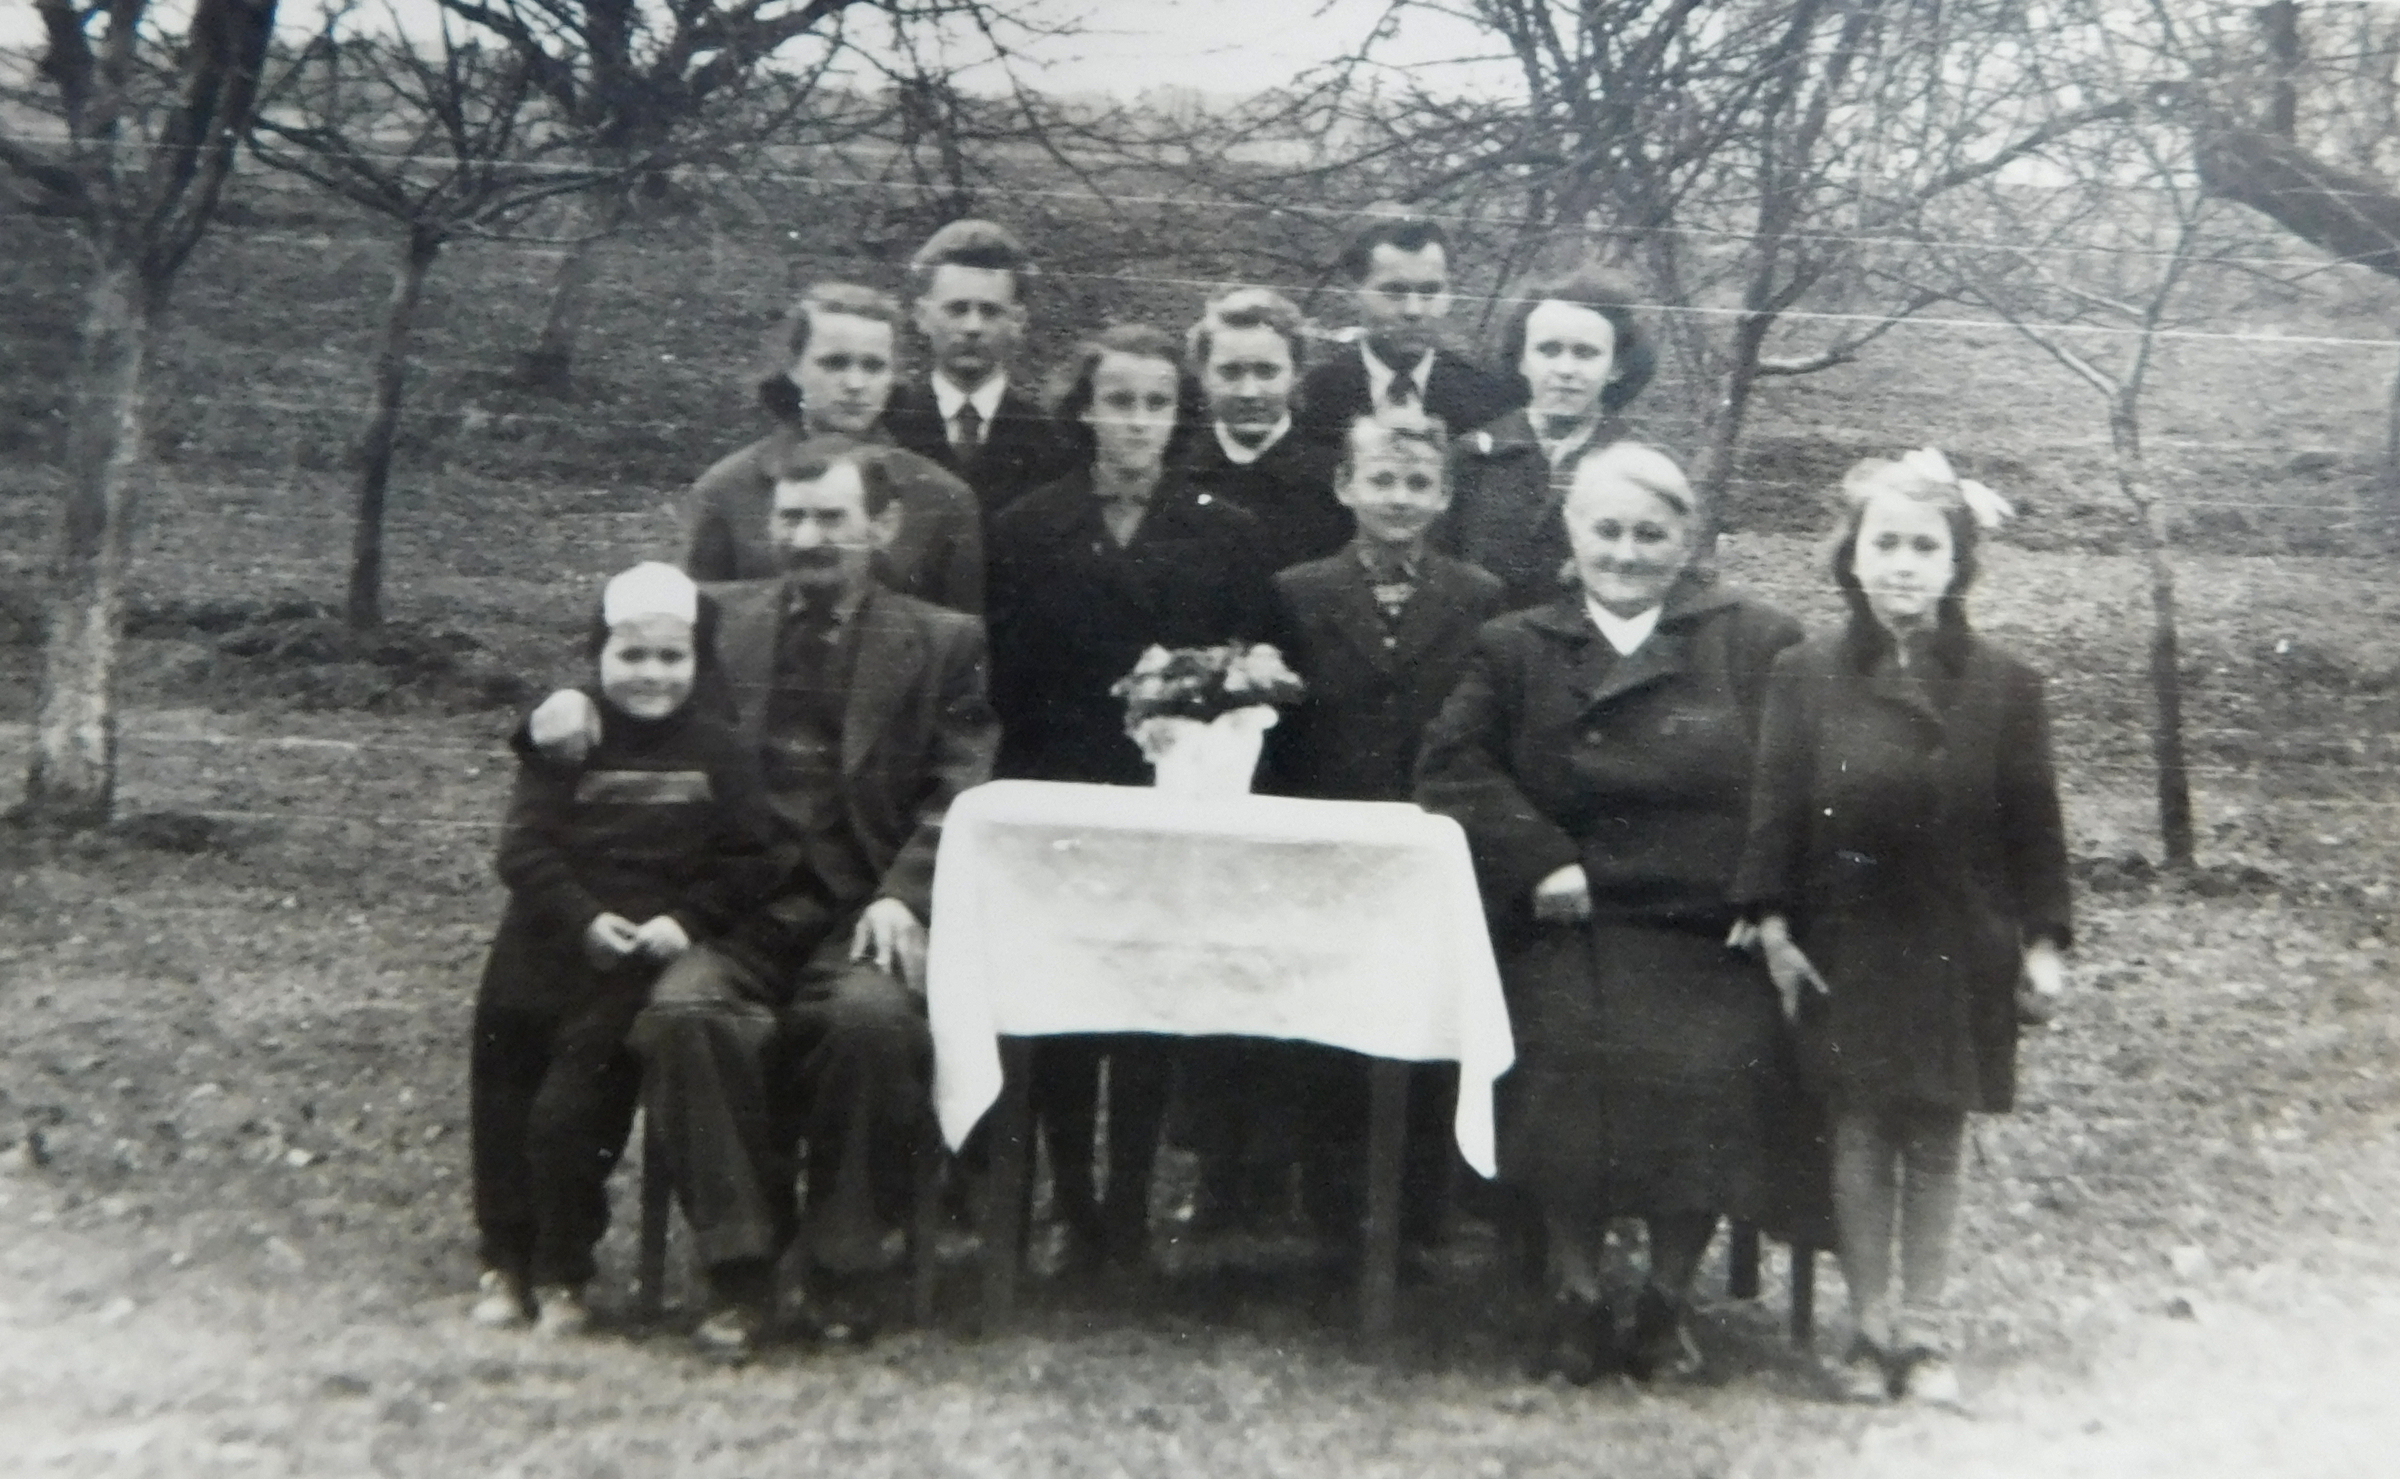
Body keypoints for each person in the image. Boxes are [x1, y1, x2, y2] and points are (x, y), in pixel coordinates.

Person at [526, 449, 999, 1359]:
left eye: (830, 518)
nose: (806, 537)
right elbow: (628, 679)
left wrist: (905, 895)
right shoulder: (717, 617)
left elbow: (961, 788)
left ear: (883, 526)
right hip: (730, 906)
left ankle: (843, 1267)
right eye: (791, 517)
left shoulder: (946, 641)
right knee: (686, 1013)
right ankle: (740, 1271)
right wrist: (561, 702)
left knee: (871, 1022)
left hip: (861, 909)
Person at [1416, 442, 1807, 1384]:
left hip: (1708, 928)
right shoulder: (1516, 644)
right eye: (1607, 530)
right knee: (1562, 1051)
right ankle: (1578, 1293)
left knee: (1712, 1063)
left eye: (1650, 533)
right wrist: (1539, 856)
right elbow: (1450, 767)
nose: (1626, 553)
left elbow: (1798, 783)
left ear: (1687, 539)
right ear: (1572, 533)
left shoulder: (1755, 639)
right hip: (1571, 922)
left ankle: (1667, 1301)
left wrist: (1763, 895)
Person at [1732, 450, 2070, 1407]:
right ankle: (1867, 1326)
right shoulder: (1803, 673)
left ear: (1957, 563)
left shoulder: (2007, 685)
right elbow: (1774, 813)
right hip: (1845, 941)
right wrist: (1771, 923)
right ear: (1852, 556)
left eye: (1925, 546)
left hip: (1962, 941)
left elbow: (2036, 828)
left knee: (1934, 1132)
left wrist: (2045, 945)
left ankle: (1923, 1331)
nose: (1903, 564)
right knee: (1858, 1128)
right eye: (1884, 543)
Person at [986, 322, 1284, 1268]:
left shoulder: (1225, 528)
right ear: (1084, 410)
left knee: (1147, 995)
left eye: (1158, 403)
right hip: (1060, 789)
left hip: (1171, 793)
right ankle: (1072, 1200)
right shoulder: (1026, 526)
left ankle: (1128, 1207)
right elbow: (1004, 677)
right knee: (1069, 999)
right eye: (1119, 401)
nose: (1139, 420)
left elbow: (1250, 663)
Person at [469, 562, 777, 1339]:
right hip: (540, 950)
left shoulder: (720, 749)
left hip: (629, 966)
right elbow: (523, 849)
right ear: (598, 653)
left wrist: (686, 920)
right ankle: (505, 1260)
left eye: (671, 657)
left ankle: (562, 1271)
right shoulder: (569, 737)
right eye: (631, 654)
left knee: (569, 1117)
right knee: (505, 1108)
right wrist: (582, 915)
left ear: (699, 660)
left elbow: (751, 859)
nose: (651, 674)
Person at [1266, 409, 1504, 1253]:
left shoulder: (1478, 596)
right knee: (1332, 1018)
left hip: (1434, 842)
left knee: (1424, 1015)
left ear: (1444, 495)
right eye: (1381, 480)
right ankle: (1330, 1212)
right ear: (1345, 486)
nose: (1399, 498)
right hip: (1329, 838)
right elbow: (1281, 728)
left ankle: (1419, 1211)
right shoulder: (1298, 592)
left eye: (1417, 483)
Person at [684, 282, 984, 615]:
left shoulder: (942, 498)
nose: (855, 384)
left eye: (873, 366)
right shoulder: (727, 490)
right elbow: (700, 623)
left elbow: (962, 636)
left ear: (893, 376)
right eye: (835, 363)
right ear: (794, 368)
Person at [1439, 268, 1657, 611]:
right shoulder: (1472, 455)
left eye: (1585, 353)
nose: (1565, 369)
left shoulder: (1641, 467)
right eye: (1548, 350)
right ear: (1522, 360)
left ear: (1616, 367)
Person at [882, 219, 1077, 524]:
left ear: (1017, 321)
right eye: (957, 309)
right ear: (922, 316)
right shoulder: (888, 424)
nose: (972, 327)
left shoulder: (1051, 440)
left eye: (990, 311)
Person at [1293, 204, 1517, 448]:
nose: (1414, 310)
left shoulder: (1488, 398)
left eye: (1429, 291)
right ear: (1352, 294)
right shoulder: (1312, 396)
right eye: (1395, 290)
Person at [1181, 285, 1350, 572]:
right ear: (1202, 374)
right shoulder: (1176, 471)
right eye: (1230, 372)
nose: (1249, 392)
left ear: (1297, 373)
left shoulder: (1334, 479)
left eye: (1267, 371)